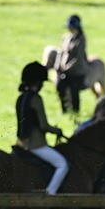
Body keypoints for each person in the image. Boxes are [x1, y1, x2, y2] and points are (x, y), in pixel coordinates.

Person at [16, 61, 68, 195]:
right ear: (38, 82)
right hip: (36, 145)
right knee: (62, 164)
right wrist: (57, 131)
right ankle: (49, 194)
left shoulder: (21, 98)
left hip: (21, 143)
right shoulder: (36, 99)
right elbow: (43, 125)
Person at [54, 14, 89, 114]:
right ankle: (64, 110)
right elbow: (61, 52)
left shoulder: (81, 39)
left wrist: (67, 68)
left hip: (76, 71)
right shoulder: (66, 37)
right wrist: (58, 65)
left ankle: (75, 111)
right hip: (65, 70)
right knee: (60, 87)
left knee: (74, 91)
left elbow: (78, 58)